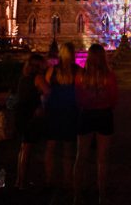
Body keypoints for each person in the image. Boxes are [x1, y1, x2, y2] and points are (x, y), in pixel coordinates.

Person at [74, 43, 118, 205]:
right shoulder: (109, 76)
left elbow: (78, 98)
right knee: (102, 160)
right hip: (104, 115)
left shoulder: (80, 75)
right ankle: (102, 196)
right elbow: (114, 99)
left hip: (86, 115)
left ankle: (77, 195)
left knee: (81, 157)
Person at [44, 42, 80, 192]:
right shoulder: (77, 71)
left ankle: (49, 179)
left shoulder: (52, 70)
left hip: (54, 112)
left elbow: (45, 89)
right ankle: (67, 180)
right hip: (70, 112)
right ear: (72, 55)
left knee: (50, 148)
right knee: (67, 149)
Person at [15, 53, 48, 189]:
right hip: (30, 115)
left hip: (20, 115)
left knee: (23, 149)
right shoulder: (38, 77)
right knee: (28, 150)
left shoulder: (23, 78)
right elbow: (49, 92)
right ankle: (22, 182)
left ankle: (20, 179)